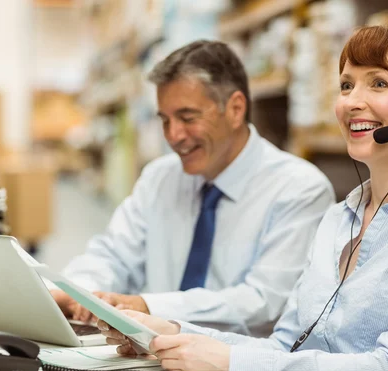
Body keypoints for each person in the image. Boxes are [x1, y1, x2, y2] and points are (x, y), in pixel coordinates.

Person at [98, 18, 388, 371]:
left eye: (378, 83)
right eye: (346, 85)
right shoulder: (339, 218)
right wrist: (169, 332)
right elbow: (285, 345)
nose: (352, 101)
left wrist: (230, 363)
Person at [51, 40, 335, 336]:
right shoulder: (160, 178)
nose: (174, 135)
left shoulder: (299, 189)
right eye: (165, 120)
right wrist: (77, 290)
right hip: (157, 362)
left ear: (236, 109)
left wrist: (148, 307)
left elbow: (265, 302)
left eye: (188, 118)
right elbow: (113, 254)